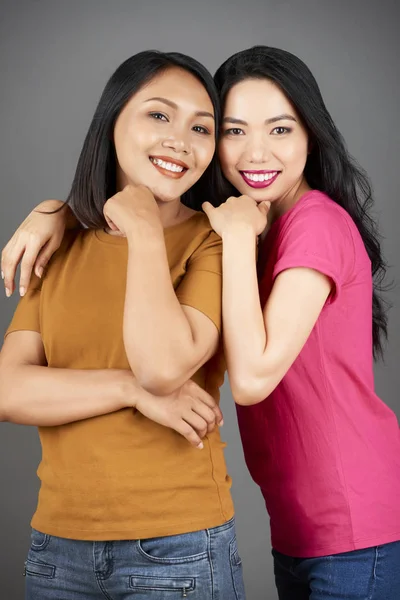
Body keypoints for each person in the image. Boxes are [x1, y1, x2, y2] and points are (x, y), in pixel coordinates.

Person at [4, 45, 400, 600]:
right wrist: (61, 210)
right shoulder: (252, 218)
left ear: (313, 134)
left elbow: (253, 377)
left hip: (351, 516)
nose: (255, 152)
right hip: (301, 518)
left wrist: (227, 239)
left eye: (281, 130)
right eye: (234, 131)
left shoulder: (298, 226)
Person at [0, 50, 246, 600]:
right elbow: (7, 389)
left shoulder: (214, 241)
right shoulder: (59, 246)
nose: (180, 139)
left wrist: (142, 226)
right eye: (158, 115)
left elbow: (163, 367)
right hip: (56, 546)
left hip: (179, 544)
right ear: (112, 121)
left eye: (200, 127)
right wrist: (127, 390)